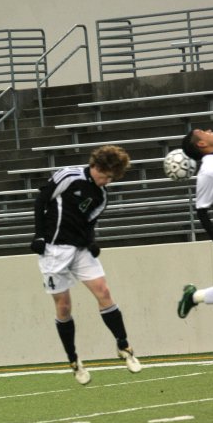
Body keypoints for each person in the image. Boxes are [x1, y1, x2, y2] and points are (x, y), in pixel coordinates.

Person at [30, 145, 142, 384]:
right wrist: (39, 235)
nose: (105, 182)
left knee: (104, 291)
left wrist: (91, 242)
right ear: (95, 166)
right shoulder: (69, 176)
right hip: (53, 250)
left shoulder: (101, 197)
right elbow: (41, 200)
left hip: (79, 250)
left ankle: (124, 347)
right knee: (64, 308)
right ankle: (74, 361)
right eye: (104, 176)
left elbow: (88, 223)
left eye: (111, 178)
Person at [177, 128, 213, 318]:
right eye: (203, 131)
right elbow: (201, 210)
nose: (209, 130)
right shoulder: (208, 171)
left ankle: (195, 296)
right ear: (201, 144)